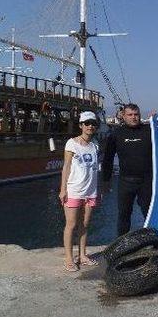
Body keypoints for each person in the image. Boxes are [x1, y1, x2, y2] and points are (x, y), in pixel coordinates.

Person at [102, 103, 153, 236]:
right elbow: (108, 158)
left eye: (136, 114)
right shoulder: (116, 134)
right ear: (123, 116)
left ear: (140, 116)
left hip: (146, 182)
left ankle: (153, 243)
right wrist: (106, 180)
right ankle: (121, 246)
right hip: (125, 182)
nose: (133, 117)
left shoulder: (150, 131)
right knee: (124, 215)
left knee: (149, 214)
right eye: (130, 115)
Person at [59, 111, 100, 272]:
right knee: (71, 225)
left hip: (91, 191)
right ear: (81, 125)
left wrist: (100, 188)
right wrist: (63, 189)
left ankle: (82, 255)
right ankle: (69, 258)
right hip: (74, 190)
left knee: (84, 224)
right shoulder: (72, 143)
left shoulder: (95, 145)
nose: (90, 126)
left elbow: (96, 169)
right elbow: (66, 167)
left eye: (93, 123)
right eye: (87, 123)